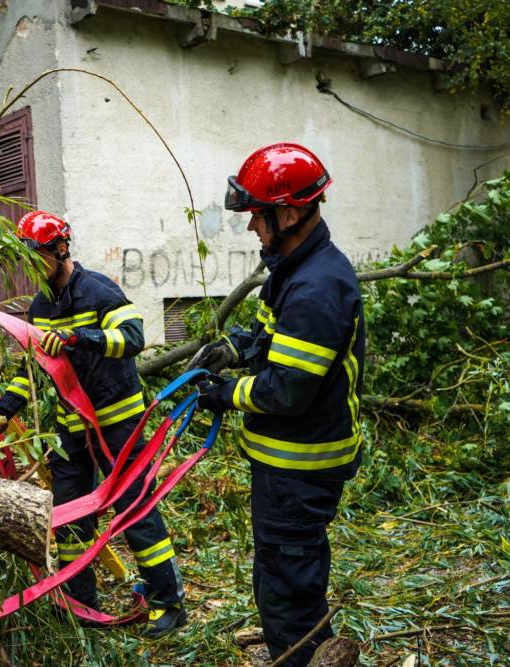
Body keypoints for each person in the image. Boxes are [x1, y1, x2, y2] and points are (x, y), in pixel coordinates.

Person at [191, 143, 365, 665]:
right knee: (282, 573)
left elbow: (287, 389)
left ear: (288, 214)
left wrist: (226, 393)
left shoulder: (316, 288)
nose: (251, 226)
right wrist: (231, 349)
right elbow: (268, 339)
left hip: (301, 466)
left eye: (257, 216)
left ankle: (301, 657)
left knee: (289, 588)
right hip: (286, 465)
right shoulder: (292, 270)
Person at [0, 210, 186, 638]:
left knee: (135, 509)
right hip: (71, 430)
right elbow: (32, 366)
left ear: (61, 249)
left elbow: (132, 339)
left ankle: (168, 603)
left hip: (119, 425)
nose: (33, 267)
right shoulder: (40, 306)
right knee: (69, 518)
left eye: (38, 256)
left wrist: (83, 338)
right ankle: (81, 605)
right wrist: (3, 410)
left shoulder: (99, 291)